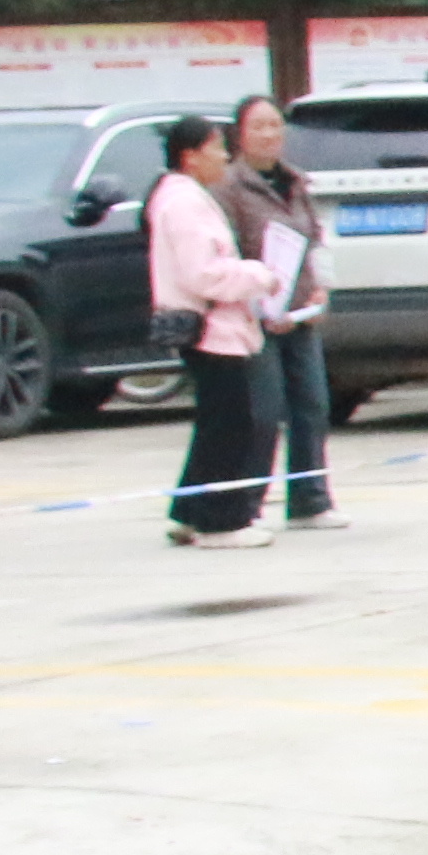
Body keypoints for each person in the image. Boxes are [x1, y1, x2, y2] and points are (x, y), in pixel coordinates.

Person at [144, 109, 285, 547]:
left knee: (214, 423)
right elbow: (202, 274)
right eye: (216, 149)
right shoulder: (184, 202)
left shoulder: (183, 197)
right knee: (230, 425)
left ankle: (189, 510)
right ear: (190, 156)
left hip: (214, 328)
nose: (224, 158)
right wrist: (259, 275)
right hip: (212, 329)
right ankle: (220, 522)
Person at [218, 92, 344, 529]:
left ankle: (310, 499)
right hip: (255, 317)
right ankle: (246, 505)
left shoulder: (295, 182)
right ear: (240, 135)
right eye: (258, 127)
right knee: (264, 412)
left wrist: (320, 288)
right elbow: (226, 251)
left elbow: (315, 239)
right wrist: (255, 300)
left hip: (299, 316)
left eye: (275, 126)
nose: (269, 135)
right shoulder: (229, 186)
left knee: (312, 404)